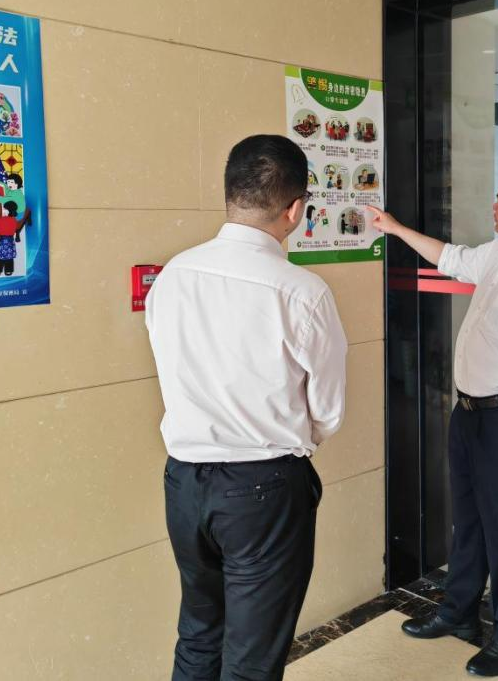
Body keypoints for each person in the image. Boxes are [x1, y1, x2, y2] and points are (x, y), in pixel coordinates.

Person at [146, 134, 347, 681]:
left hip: (185, 484)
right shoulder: (301, 291)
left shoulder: (173, 275)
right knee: (252, 659)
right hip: (263, 489)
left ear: (230, 194)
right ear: (296, 209)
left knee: (199, 633)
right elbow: (327, 408)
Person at [369, 168, 498, 677]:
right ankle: (459, 613)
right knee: (468, 522)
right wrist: (393, 228)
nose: (493, 207)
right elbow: (451, 258)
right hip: (469, 414)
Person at [0, 202, 19, 276]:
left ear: (9, 210)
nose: (2, 210)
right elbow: (15, 230)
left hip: (1, 240)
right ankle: (8, 271)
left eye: (4, 209)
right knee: (9, 256)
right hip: (10, 240)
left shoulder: (0, 220)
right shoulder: (14, 220)